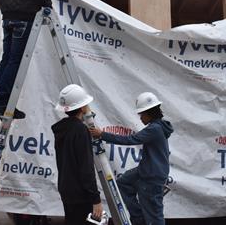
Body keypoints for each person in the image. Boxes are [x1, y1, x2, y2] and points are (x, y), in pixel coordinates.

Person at [89, 92, 174, 225]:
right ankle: (139, 219)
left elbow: (131, 139)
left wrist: (102, 134)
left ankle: (141, 219)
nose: (140, 118)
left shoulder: (155, 129)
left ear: (149, 113)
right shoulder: (160, 126)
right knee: (122, 183)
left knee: (154, 216)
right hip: (148, 171)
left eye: (141, 115)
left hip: (151, 177)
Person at [51, 84, 103, 225]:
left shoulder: (62, 129)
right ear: (82, 107)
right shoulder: (80, 131)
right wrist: (96, 199)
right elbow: (86, 168)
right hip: (81, 193)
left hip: (66, 189)